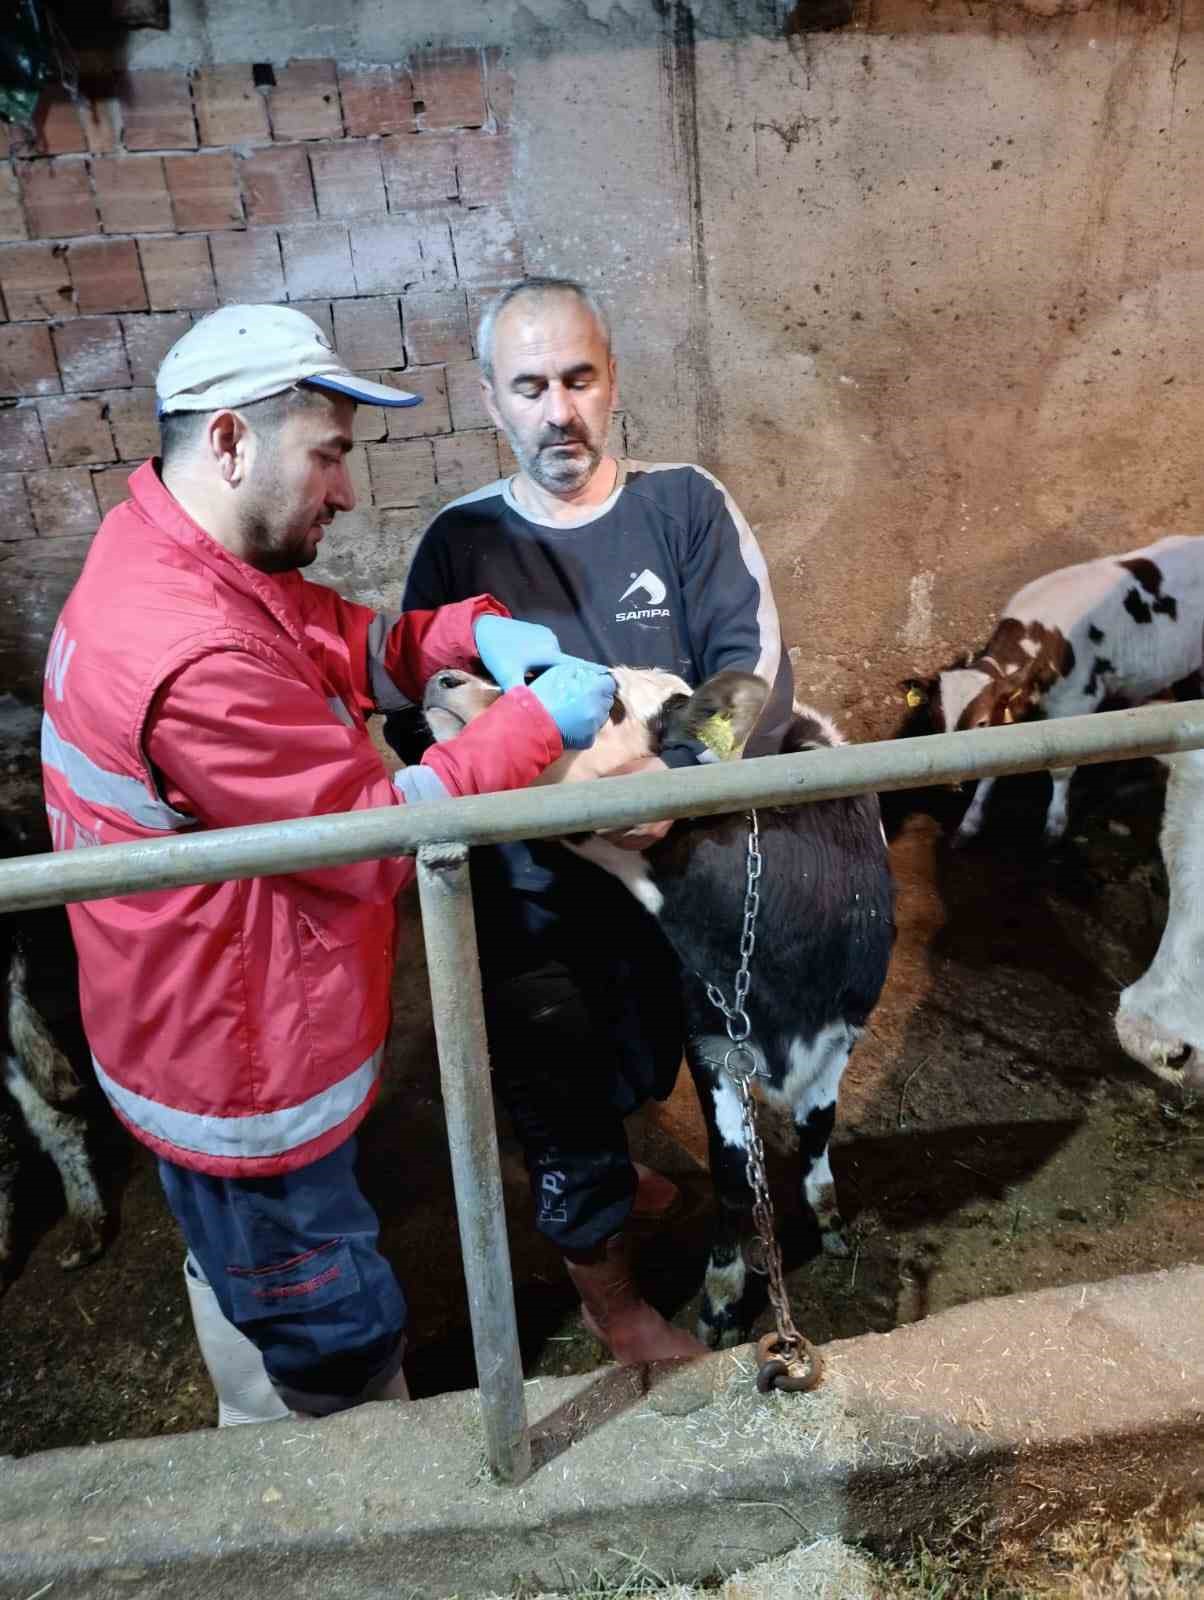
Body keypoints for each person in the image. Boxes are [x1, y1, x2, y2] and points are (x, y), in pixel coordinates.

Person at [39, 303, 616, 1424]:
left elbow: (328, 638)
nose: (345, 490)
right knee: (330, 1321)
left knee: (239, 1273)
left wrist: (465, 633)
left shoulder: (168, 550)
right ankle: (346, 1487)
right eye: (329, 454)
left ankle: (255, 1401)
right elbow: (371, 838)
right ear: (228, 442)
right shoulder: (190, 651)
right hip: (243, 1068)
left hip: (187, 1018)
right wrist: (537, 723)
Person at [383, 276, 793, 1364]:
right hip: (535, 895)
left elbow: (751, 671)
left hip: (681, 870)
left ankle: (735, 1226)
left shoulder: (684, 506)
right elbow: (416, 712)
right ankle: (617, 1311)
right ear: (490, 398)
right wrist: (561, 804)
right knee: (562, 1095)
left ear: (612, 383)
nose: (557, 411)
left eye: (577, 379)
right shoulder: (459, 544)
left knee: (711, 1067)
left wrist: (657, 791)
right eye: (529, 387)